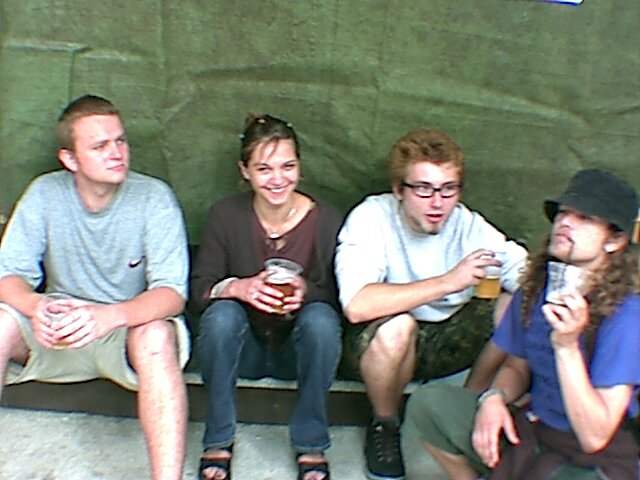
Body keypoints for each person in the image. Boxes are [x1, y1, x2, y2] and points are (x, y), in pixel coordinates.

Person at [0, 95, 191, 480]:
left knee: (157, 335)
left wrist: (109, 316)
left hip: (123, 332)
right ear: (70, 159)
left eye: (120, 141)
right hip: (59, 327)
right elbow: (8, 276)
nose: (116, 153)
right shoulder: (45, 192)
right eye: (100, 146)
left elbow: (172, 294)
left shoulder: (153, 197)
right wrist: (36, 306)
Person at [406, 168, 640, 480]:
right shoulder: (537, 289)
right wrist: (494, 398)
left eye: (584, 217)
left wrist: (567, 348)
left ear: (614, 240)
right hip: (535, 430)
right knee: (430, 404)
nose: (565, 222)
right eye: (563, 213)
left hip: (592, 458)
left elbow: (595, 437)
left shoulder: (626, 316)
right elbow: (516, 366)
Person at [334, 128, 527, 480]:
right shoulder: (372, 217)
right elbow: (357, 305)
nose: (437, 203)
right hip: (383, 346)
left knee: (514, 305)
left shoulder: (468, 225)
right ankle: (385, 424)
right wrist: (449, 282)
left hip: (449, 339)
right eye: (423, 189)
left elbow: (525, 274)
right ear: (399, 190)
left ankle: (466, 407)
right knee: (397, 328)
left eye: (448, 189)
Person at [190, 114, 342, 480]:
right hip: (243, 350)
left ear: (300, 167)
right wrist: (236, 287)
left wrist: (306, 291)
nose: (278, 179)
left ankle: (310, 443)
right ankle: (218, 440)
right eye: (264, 168)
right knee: (221, 316)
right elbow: (198, 290)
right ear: (245, 171)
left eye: (288, 166)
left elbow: (343, 300)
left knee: (322, 320)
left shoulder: (325, 219)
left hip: (297, 352)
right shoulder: (226, 214)